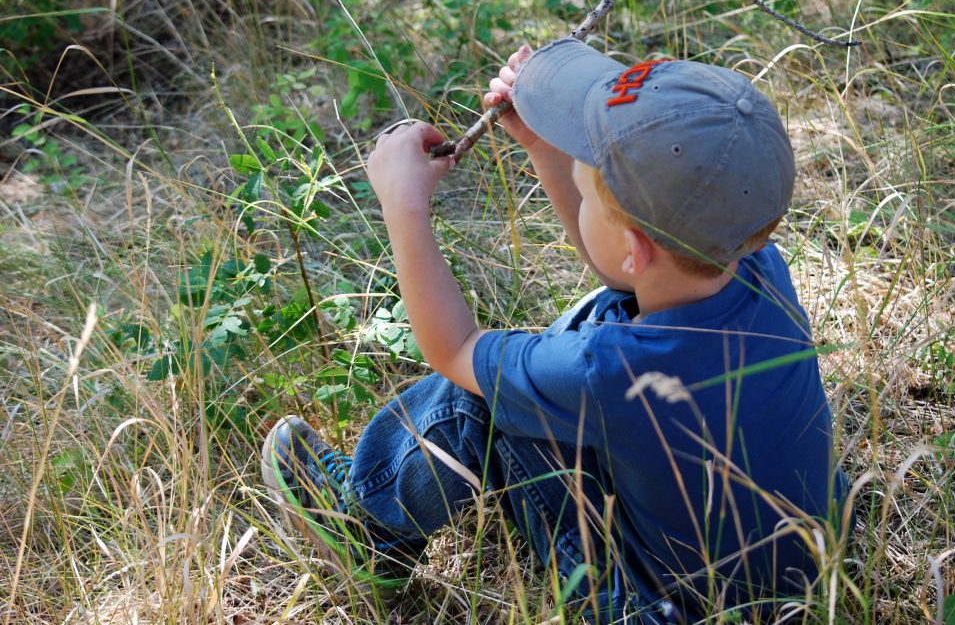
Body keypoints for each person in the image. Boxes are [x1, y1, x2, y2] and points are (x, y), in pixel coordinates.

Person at [261, 38, 848, 623]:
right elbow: (623, 273)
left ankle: (364, 530)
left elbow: (454, 350)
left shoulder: (614, 370)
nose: (574, 170)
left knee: (478, 398)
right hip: (800, 567)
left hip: (654, 607)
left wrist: (403, 205)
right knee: (603, 310)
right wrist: (544, 147)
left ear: (632, 246)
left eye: (583, 179)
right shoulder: (756, 265)